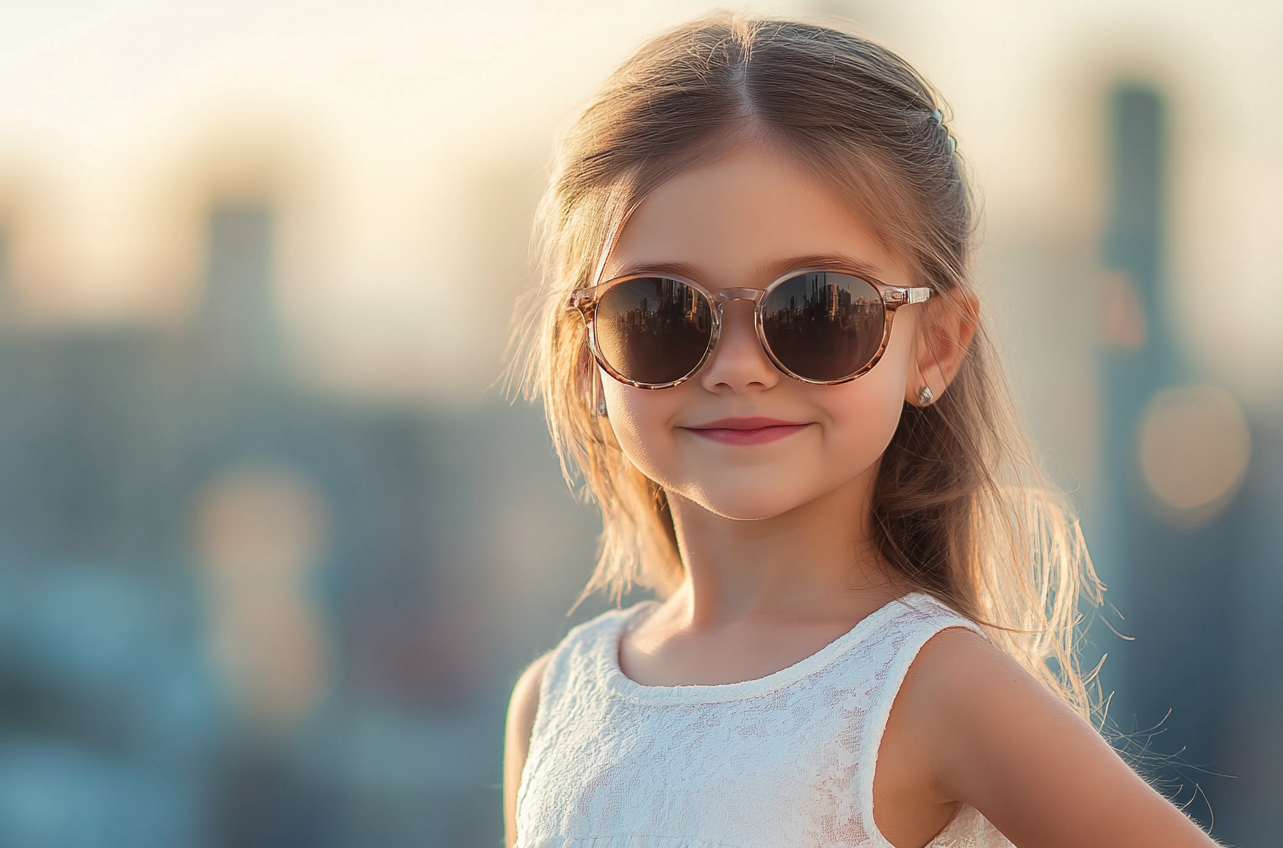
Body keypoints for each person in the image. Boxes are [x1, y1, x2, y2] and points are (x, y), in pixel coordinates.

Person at [502, 14, 1221, 848]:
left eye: (818, 310)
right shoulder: (554, 698)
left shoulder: (933, 688)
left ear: (937, 345)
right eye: (659, 311)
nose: (739, 367)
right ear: (585, 353)